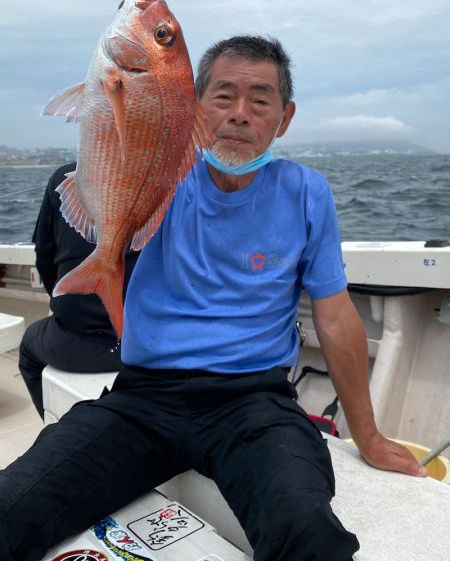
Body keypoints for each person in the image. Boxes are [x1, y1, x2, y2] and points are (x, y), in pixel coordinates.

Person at [0, 36, 425, 561]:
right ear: (193, 106)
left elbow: (335, 318)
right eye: (223, 96)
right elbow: (117, 133)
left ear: (284, 118)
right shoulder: (159, 177)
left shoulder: (307, 191)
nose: (240, 114)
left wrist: (370, 436)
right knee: (10, 505)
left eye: (261, 100)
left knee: (308, 533)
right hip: (142, 400)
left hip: (254, 405)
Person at [19, 162, 140, 419]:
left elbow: (44, 256)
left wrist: (64, 297)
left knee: (29, 346)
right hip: (147, 344)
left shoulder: (61, 178)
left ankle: (56, 427)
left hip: (76, 344)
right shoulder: (163, 179)